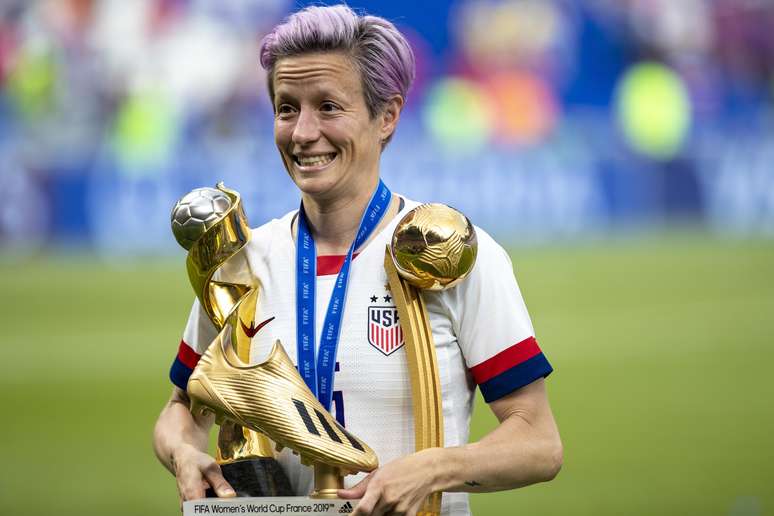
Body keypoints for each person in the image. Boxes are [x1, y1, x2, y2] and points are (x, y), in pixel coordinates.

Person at [153, 5, 562, 515]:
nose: (302, 132)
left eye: (328, 107)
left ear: (386, 117)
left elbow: (538, 443)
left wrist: (434, 468)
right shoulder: (242, 263)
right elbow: (180, 411)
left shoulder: (447, 252)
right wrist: (184, 452)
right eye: (286, 108)